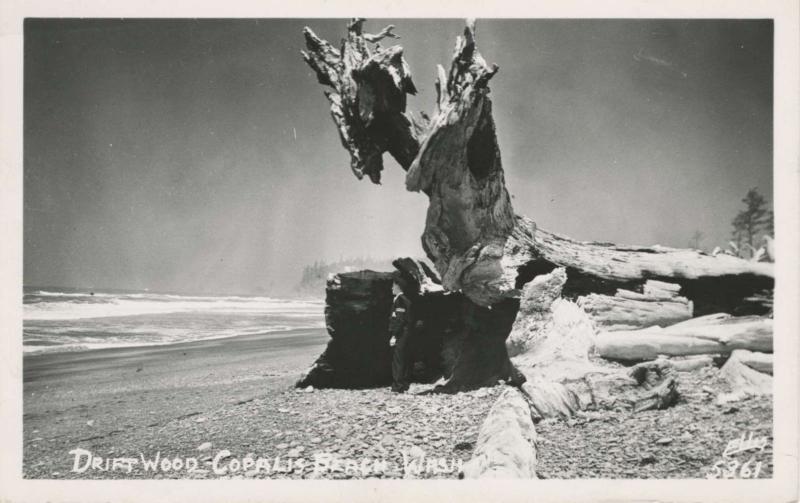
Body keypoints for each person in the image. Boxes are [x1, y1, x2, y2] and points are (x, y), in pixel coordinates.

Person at [389, 276, 418, 393]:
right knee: (404, 358)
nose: (391, 288)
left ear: (397, 286)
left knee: (398, 359)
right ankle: (404, 384)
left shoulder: (400, 300)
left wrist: (394, 335)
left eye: (393, 286)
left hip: (401, 334)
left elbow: (400, 320)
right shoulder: (406, 300)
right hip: (406, 333)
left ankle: (398, 386)